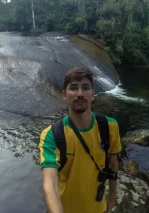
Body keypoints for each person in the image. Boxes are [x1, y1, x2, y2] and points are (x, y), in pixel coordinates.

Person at [39, 68, 122, 213]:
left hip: (98, 208)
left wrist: (111, 199)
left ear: (93, 94)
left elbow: (113, 165)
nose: (80, 94)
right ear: (64, 95)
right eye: (74, 88)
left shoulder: (110, 127)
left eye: (85, 87)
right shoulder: (52, 135)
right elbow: (50, 183)